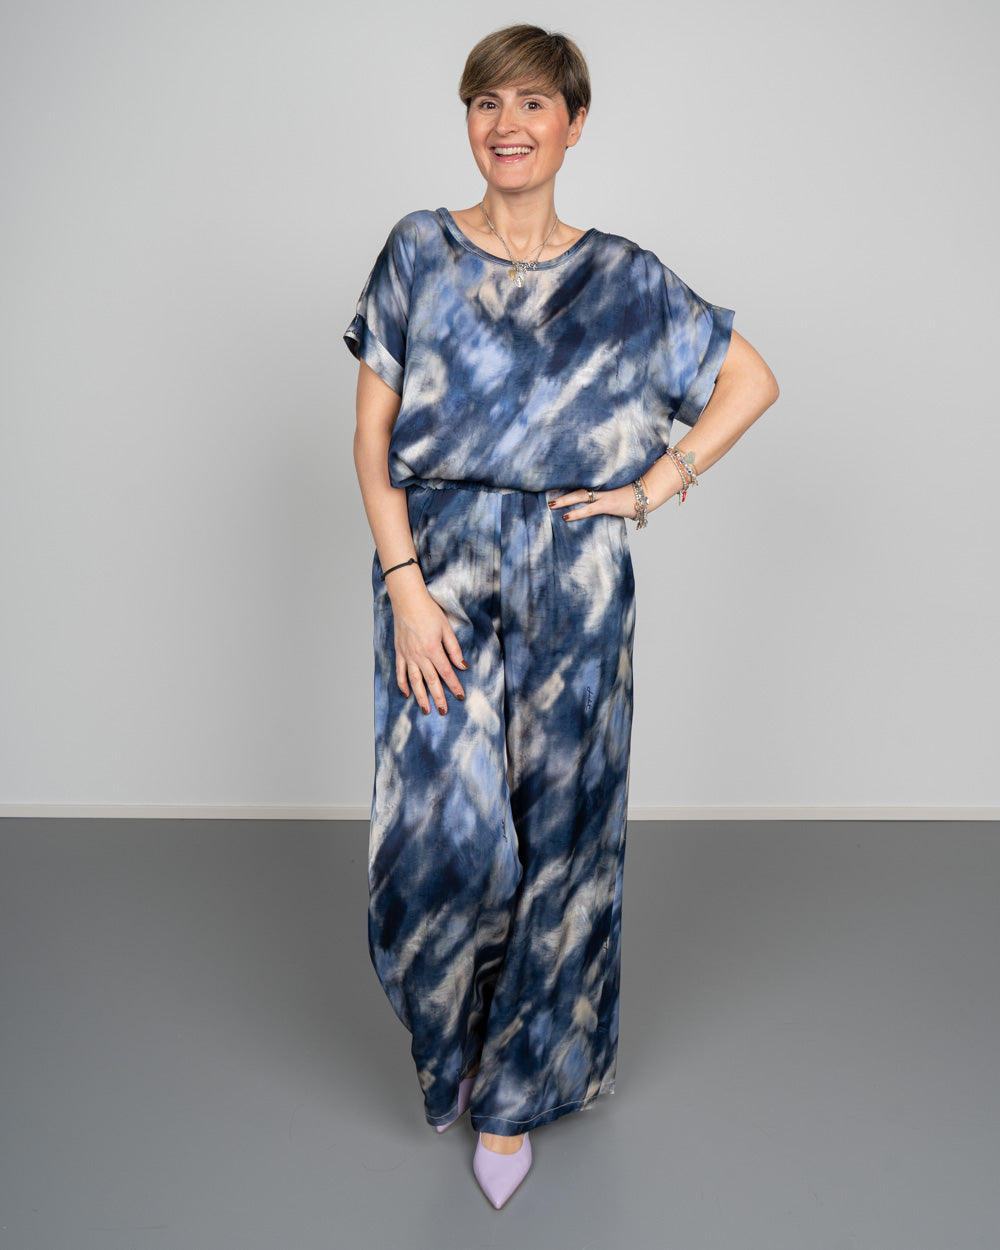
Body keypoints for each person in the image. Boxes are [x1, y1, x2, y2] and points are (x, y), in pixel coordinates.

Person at [344, 23, 779, 1210]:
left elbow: (750, 379)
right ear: (468, 120)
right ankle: (454, 1040)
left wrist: (651, 485)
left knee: (565, 842)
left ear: (573, 125)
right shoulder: (417, 253)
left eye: (533, 103)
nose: (508, 124)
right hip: (436, 575)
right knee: (443, 843)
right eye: (487, 102)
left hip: (576, 580)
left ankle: (515, 1092)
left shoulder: (626, 278)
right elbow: (371, 443)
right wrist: (405, 588)